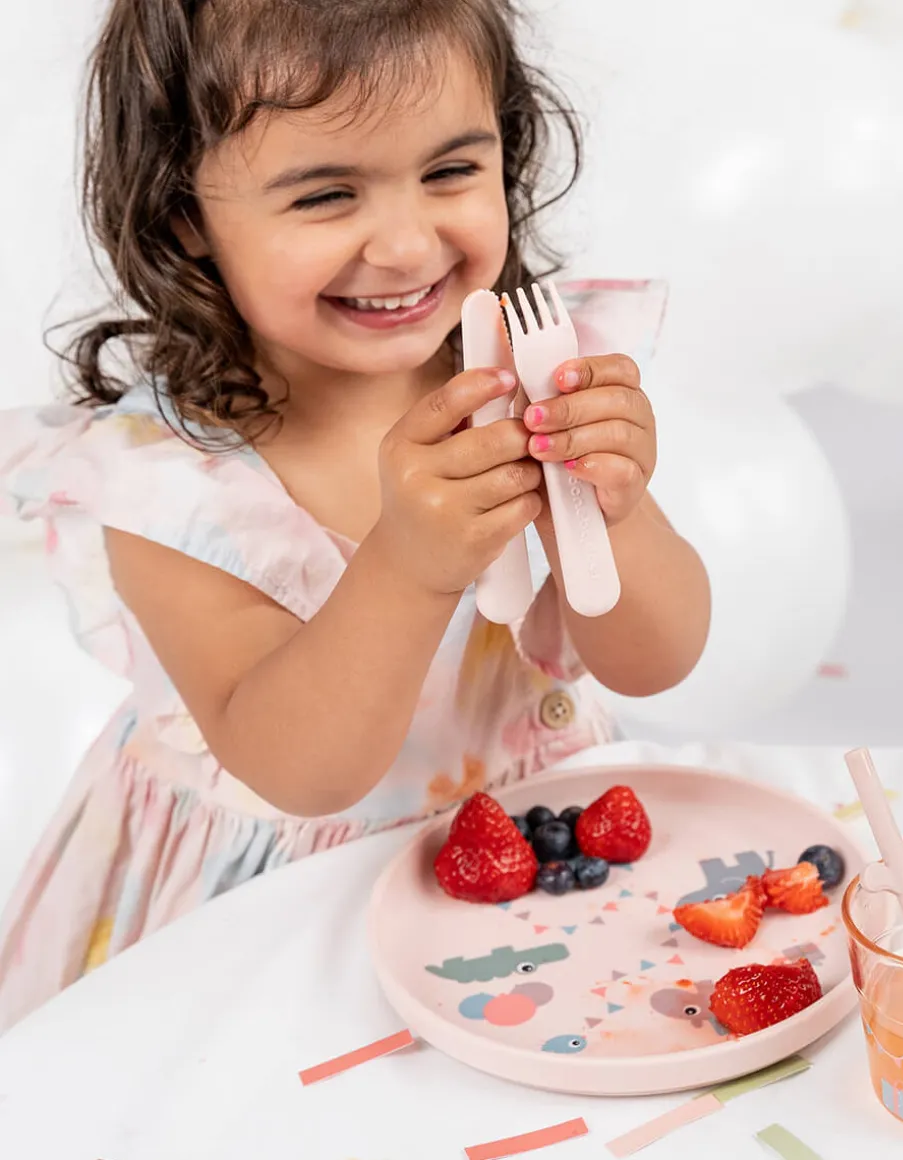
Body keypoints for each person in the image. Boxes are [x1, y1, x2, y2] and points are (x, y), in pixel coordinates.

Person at [0, 0, 710, 1030]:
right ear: (184, 214)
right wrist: (407, 565)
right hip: (272, 907)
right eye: (327, 194)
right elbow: (304, 770)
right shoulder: (169, 481)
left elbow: (655, 659)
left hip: (530, 859)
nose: (409, 243)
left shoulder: (526, 370)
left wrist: (615, 505)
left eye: (450, 171)